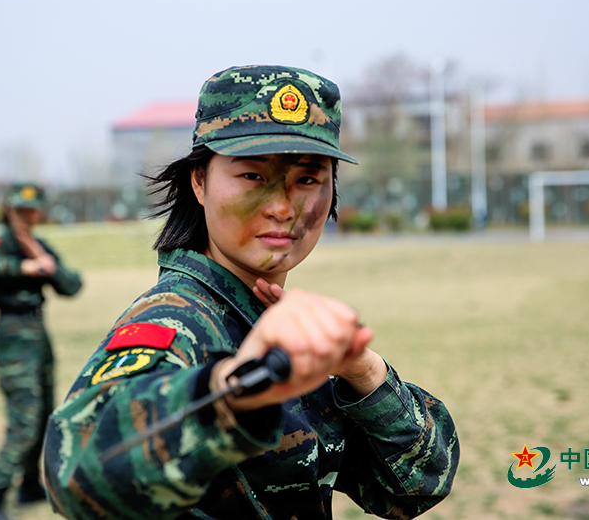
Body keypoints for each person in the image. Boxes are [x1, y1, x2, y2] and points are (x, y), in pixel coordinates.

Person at [42, 65, 459, 520]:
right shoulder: (173, 323)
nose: (282, 207)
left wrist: (362, 370)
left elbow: (418, 485)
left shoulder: (274, 324)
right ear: (198, 181)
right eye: (252, 177)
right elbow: (74, 474)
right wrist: (234, 391)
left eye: (307, 179)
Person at [0, 182, 83, 520]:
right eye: (20, 210)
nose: (26, 217)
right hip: (12, 333)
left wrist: (40, 258)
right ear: (9, 209)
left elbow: (71, 285)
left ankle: (29, 484)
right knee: (25, 418)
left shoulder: (38, 245)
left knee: (45, 409)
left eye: (32, 210)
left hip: (38, 333)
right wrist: (23, 267)